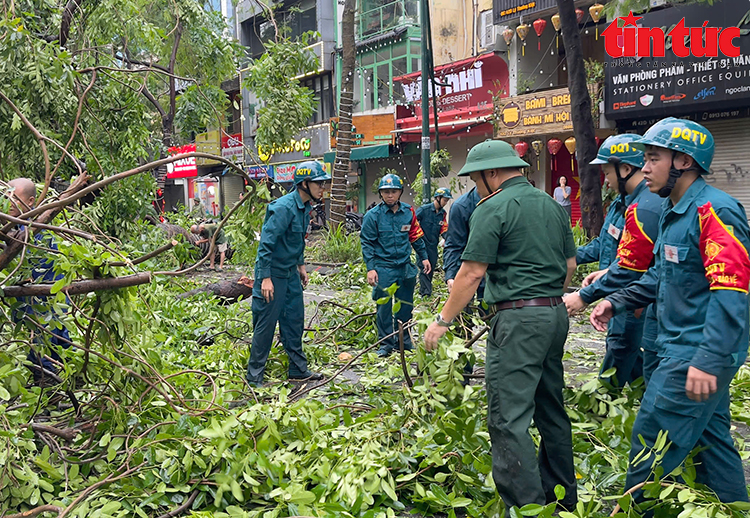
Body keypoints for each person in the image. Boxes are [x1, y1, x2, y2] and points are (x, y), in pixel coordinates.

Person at [590, 118, 750, 504]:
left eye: (653, 158)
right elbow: (661, 275)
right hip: (677, 346)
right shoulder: (671, 210)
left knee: (650, 443)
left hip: (693, 352)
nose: (644, 168)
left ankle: (635, 510)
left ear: (683, 161)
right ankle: (735, 507)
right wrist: (616, 300)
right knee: (712, 441)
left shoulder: (715, 212)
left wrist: (708, 359)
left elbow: (732, 293)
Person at [423, 140, 578, 511]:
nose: (476, 188)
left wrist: (443, 320)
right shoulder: (552, 206)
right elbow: (570, 265)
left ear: (492, 174)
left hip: (518, 320)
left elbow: (471, 271)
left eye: (476, 180)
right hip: (555, 314)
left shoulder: (492, 208)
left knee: (508, 418)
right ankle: (563, 498)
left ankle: (526, 506)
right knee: (550, 408)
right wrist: (546, 299)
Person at [564, 134, 662, 387]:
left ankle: (604, 398)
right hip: (617, 289)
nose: (605, 181)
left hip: (632, 295)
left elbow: (633, 266)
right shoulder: (622, 204)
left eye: (607, 173)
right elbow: (604, 246)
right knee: (627, 348)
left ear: (626, 169)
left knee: (620, 345)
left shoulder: (645, 207)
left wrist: (585, 295)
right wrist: (564, 254)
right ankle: (641, 390)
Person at [240, 161, 331, 387]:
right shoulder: (282, 208)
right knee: (266, 326)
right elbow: (266, 246)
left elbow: (297, 241)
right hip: (273, 275)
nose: (323, 188)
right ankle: (254, 377)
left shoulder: (305, 208)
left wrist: (301, 267)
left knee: (294, 321)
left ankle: (298, 370)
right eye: (319, 184)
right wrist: (266, 278)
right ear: (304, 184)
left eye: (324, 183)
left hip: (290, 274)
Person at [5, 178, 71, 384]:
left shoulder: (35, 231)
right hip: (39, 297)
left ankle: (49, 385)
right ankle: (70, 375)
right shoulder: (13, 226)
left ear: (31, 201)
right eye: (5, 196)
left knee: (42, 337)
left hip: (42, 296)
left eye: (14, 198)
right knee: (55, 336)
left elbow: (34, 269)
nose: (9, 202)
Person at [360, 173, 431, 357]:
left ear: (400, 192)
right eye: (386, 192)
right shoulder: (372, 216)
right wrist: (371, 268)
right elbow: (366, 243)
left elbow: (415, 236)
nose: (390, 195)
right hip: (383, 268)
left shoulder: (409, 212)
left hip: (405, 267)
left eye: (393, 191)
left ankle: (404, 340)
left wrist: (424, 257)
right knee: (383, 308)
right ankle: (385, 343)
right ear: (381, 194)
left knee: (405, 304)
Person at [415, 187, 452, 296]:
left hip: (433, 246)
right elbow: (413, 224)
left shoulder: (442, 214)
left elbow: (444, 228)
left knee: (431, 268)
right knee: (424, 269)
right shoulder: (423, 210)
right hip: (422, 245)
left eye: (447, 201)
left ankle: (424, 291)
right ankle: (425, 294)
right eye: (444, 200)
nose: (445, 203)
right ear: (438, 198)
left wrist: (447, 238)